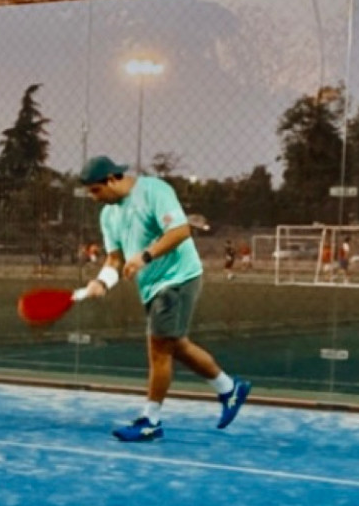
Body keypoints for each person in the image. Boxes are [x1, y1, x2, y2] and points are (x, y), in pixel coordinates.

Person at [74, 155, 251, 442]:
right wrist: (102, 281)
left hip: (178, 278)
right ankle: (229, 389)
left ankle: (151, 421)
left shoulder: (154, 191)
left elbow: (180, 231)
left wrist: (145, 256)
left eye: (96, 190)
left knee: (158, 348)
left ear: (112, 179)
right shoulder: (108, 215)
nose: (94, 197)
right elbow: (115, 259)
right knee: (174, 344)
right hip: (151, 286)